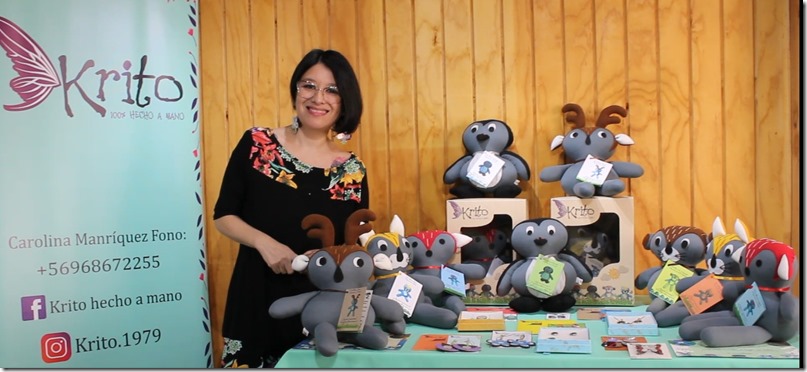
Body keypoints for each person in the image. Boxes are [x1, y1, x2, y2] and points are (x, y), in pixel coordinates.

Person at [214, 49, 368, 368]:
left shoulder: (351, 169)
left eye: (332, 90)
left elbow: (353, 246)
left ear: (344, 101)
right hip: (256, 299)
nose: (318, 97)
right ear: (296, 90)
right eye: (308, 85)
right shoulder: (258, 144)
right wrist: (264, 243)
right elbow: (223, 216)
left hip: (323, 310)